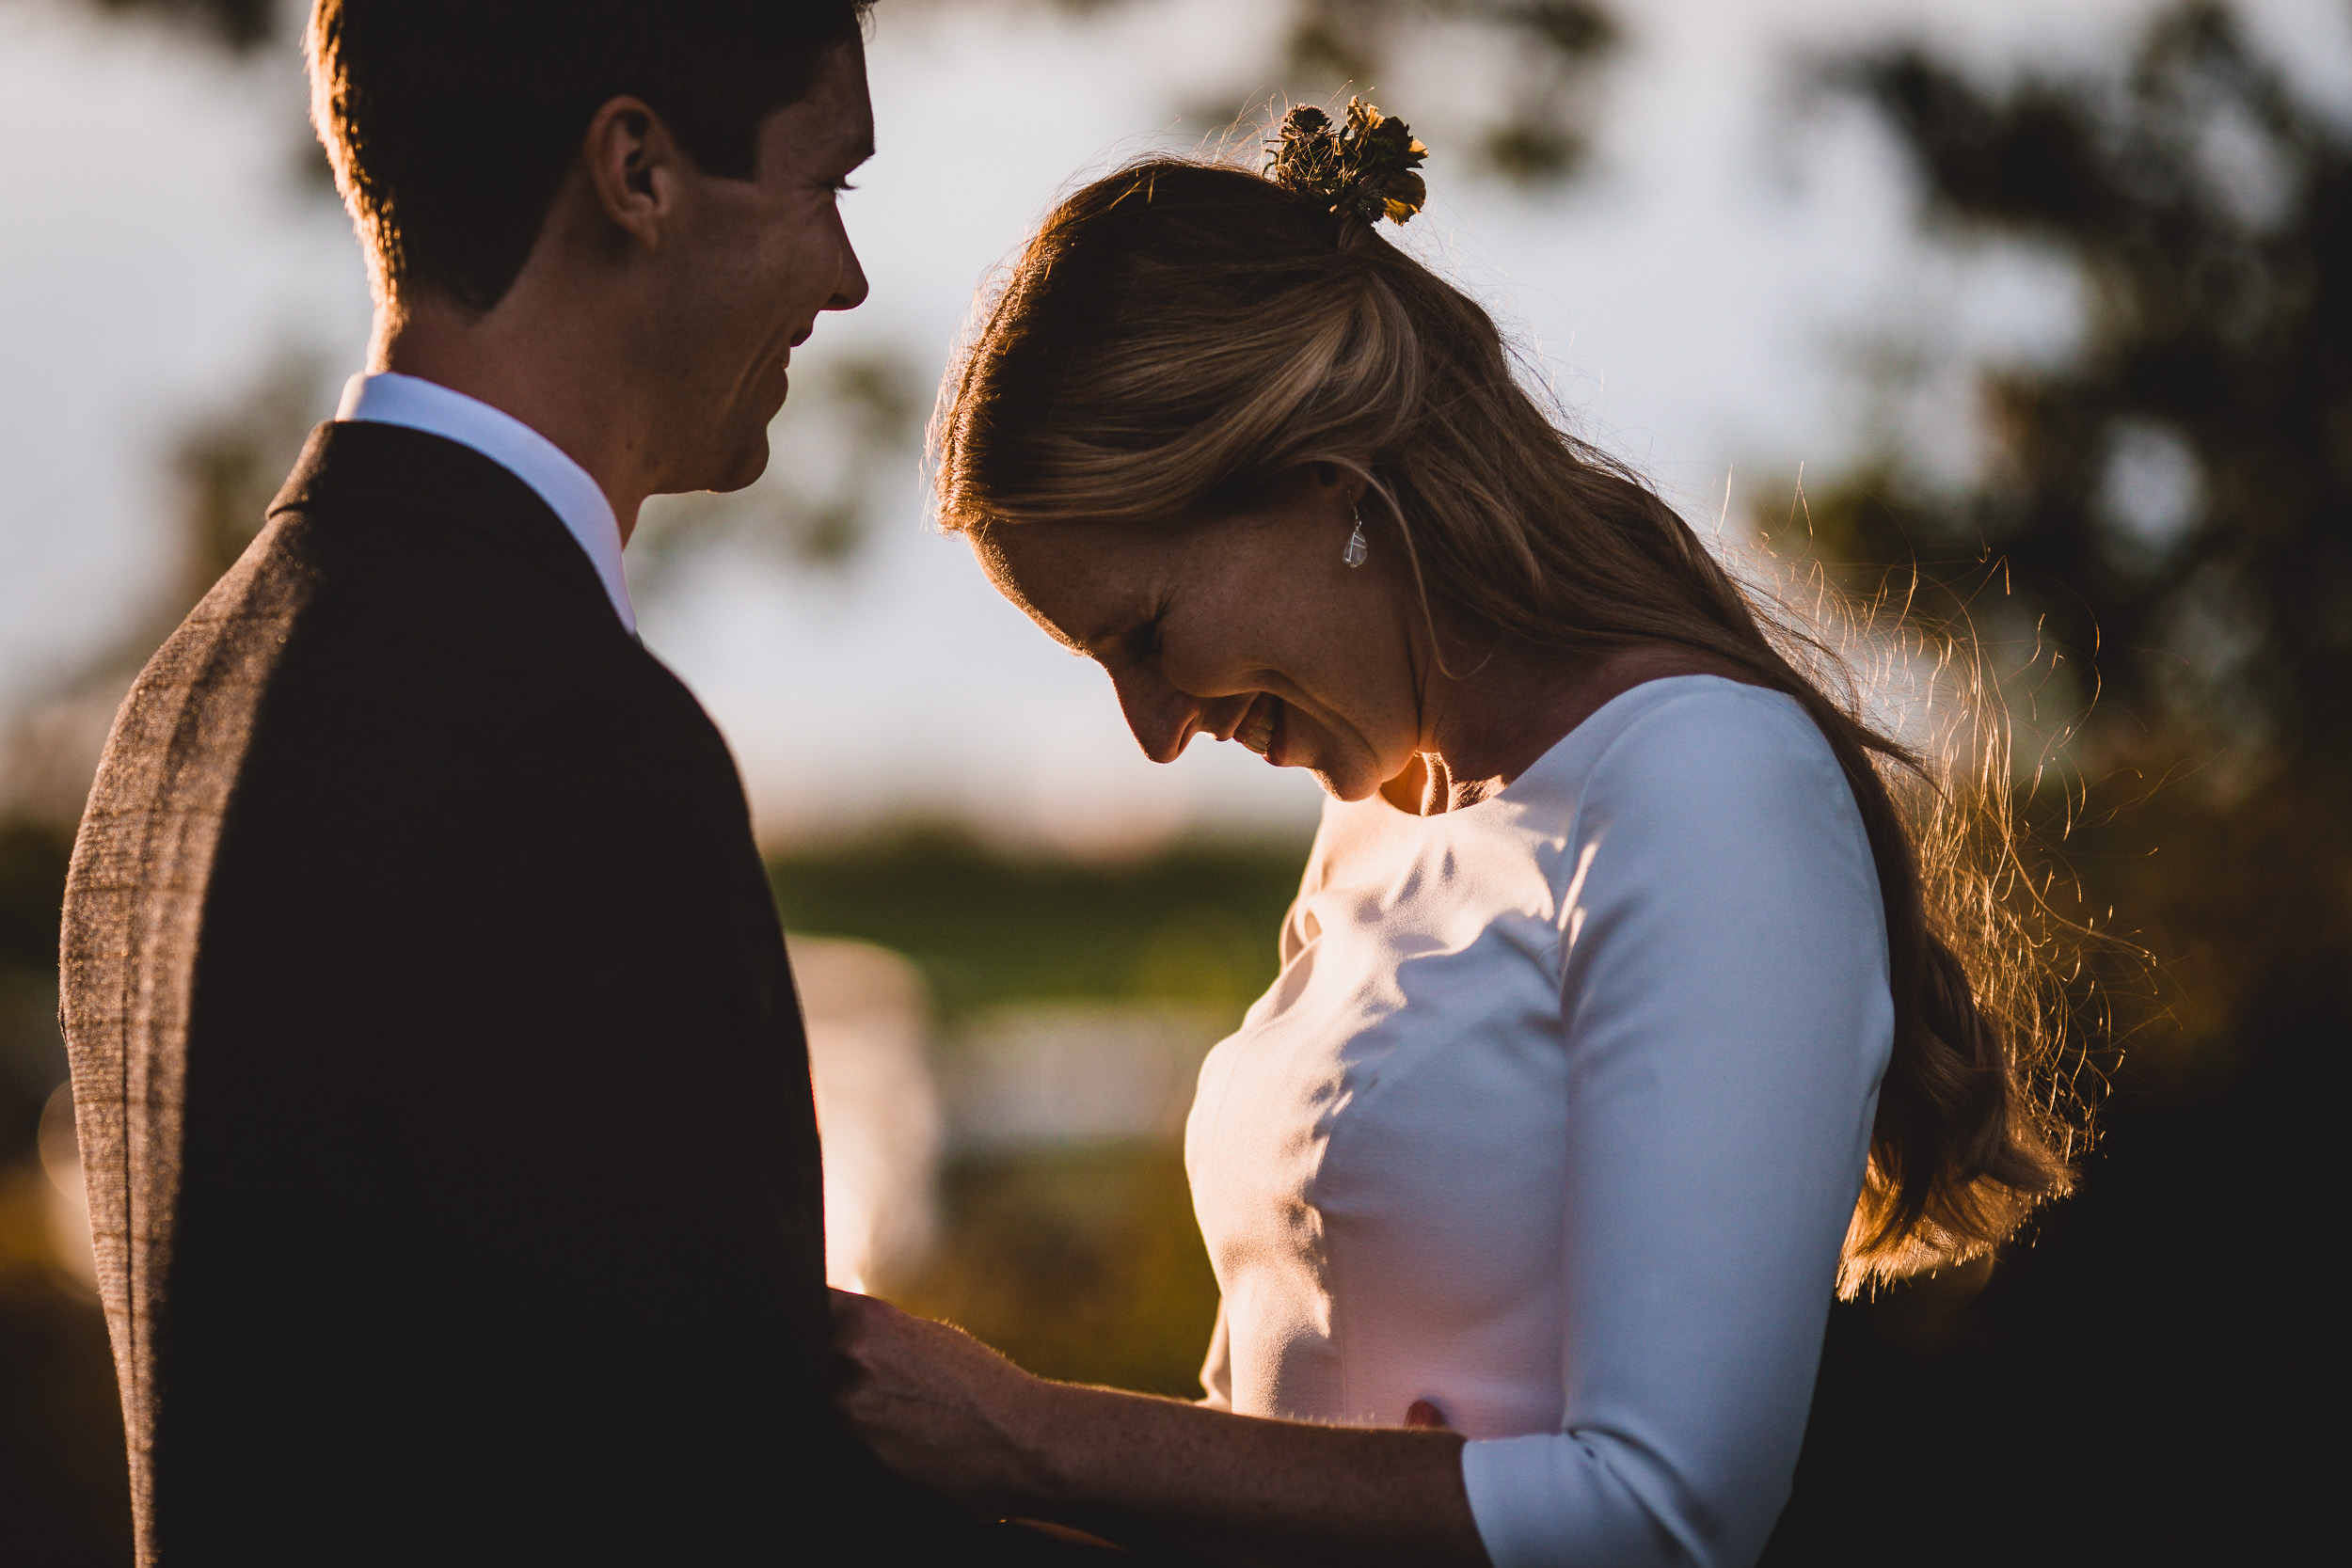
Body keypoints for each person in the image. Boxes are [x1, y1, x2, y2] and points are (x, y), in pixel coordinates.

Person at [832, 103, 2083, 1567]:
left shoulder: (1706, 789)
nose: (1156, 731)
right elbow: (1266, 1427)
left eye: (1151, 635)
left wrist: (1028, 1433)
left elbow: (1662, 1515)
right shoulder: (1372, 819)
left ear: (1323, 477)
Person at [56, 4, 1089, 1561]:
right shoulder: (560, 747)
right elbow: (705, 1494)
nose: (846, 278)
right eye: (831, 188)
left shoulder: (183, 705)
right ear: (637, 170)